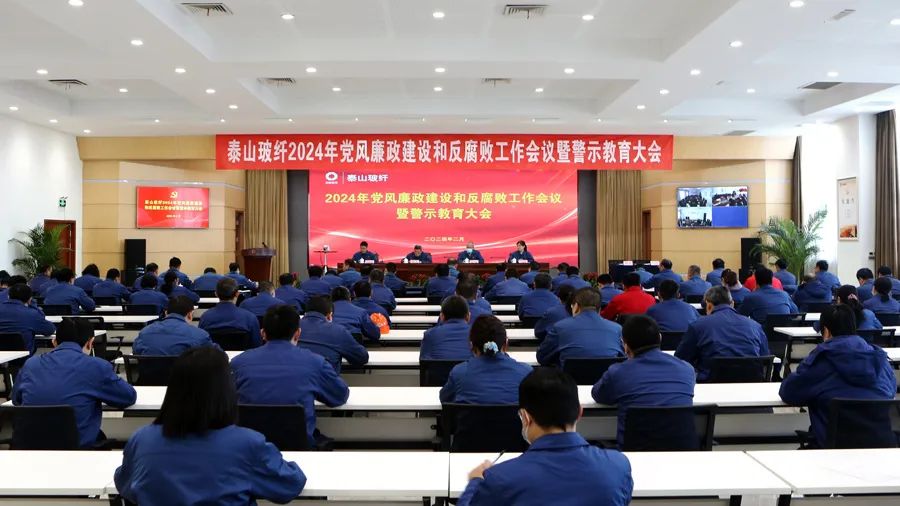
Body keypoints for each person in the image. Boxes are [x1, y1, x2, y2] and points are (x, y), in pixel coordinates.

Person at [114, 346, 306, 505]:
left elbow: (124, 483)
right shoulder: (247, 445)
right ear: (226, 390)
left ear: (173, 388)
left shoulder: (142, 440)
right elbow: (290, 484)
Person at [457, 367, 633, 506]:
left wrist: (475, 482)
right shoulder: (618, 466)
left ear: (525, 417)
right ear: (579, 412)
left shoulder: (499, 479)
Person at [231, 304, 349, 447]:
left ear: (263, 333)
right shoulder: (315, 363)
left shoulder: (238, 364)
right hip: (300, 447)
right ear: (298, 333)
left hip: (249, 448)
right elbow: (339, 395)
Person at [779, 305, 896, 448]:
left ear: (826, 331)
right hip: (881, 448)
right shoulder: (880, 360)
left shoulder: (821, 361)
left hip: (833, 451)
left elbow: (788, 392)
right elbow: (890, 392)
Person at [13, 318, 136, 448]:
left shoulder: (30, 364)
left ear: (54, 342)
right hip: (77, 449)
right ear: (90, 343)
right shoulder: (97, 366)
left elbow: (17, 399)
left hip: (31, 447)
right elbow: (128, 397)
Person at [592, 315, 695, 448]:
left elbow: (598, 394)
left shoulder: (618, 373)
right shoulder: (687, 369)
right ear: (660, 338)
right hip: (681, 452)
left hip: (633, 453)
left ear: (625, 346)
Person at [676, 286, 770, 381]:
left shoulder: (698, 326)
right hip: (751, 385)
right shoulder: (755, 326)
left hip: (710, 385)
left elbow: (680, 359)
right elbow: (765, 357)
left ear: (708, 305)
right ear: (732, 304)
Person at [440, 315, 533, 404]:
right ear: (506, 344)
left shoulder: (458, 373)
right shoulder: (526, 373)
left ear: (472, 346)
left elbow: (444, 398)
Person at [539, 287, 624, 367]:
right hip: (607, 376)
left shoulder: (560, 327)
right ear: (599, 309)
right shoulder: (617, 329)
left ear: (576, 306)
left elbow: (542, 357)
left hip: (569, 377)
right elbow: (623, 357)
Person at [297, 296, 369, 373]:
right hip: (325, 378)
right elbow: (362, 357)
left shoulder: (292, 327)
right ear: (330, 316)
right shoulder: (338, 331)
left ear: (305, 313)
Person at [133, 296, 217, 355]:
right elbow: (217, 354)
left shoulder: (145, 332)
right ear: (190, 314)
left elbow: (136, 351)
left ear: (166, 313)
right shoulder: (200, 335)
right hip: (185, 376)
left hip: (150, 375)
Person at [198, 277, 262, 347]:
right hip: (244, 353)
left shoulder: (205, 317)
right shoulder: (250, 318)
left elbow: (201, 343)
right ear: (237, 294)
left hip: (214, 353)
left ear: (216, 294)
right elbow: (257, 345)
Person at [0, 284, 56, 353]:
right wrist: (34, 306)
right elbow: (50, 330)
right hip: (23, 356)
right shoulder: (32, 314)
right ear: (30, 299)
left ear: (8, 296)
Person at [420, 295, 473, 360]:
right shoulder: (477, 334)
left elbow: (424, 361)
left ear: (442, 317)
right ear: (468, 316)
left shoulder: (430, 334)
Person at [813, 285, 882, 333]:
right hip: (866, 348)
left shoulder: (833, 314)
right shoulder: (869, 314)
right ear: (856, 298)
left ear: (839, 299)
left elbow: (817, 327)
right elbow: (879, 328)